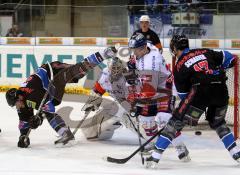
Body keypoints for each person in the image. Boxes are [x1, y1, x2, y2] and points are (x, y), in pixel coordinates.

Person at [145, 34, 240, 168]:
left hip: (199, 93)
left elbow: (184, 96)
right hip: (221, 91)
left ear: (174, 48)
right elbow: (230, 58)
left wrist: (193, 109)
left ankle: (154, 157)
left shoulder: (179, 66)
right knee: (218, 122)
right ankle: (237, 153)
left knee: (174, 122)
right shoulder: (205, 51)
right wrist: (215, 71)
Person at [5, 47, 117, 148]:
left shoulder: (31, 94)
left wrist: (38, 119)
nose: (17, 107)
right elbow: (24, 120)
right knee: (48, 110)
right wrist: (23, 136)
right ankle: (65, 133)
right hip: (49, 87)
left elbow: (48, 107)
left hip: (53, 71)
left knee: (78, 71)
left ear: (18, 98)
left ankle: (103, 53)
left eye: (16, 104)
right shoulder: (22, 101)